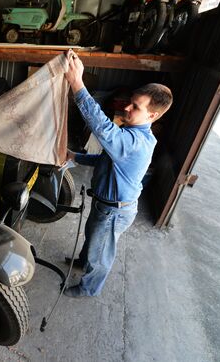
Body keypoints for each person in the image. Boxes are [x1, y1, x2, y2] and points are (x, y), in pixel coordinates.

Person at [63, 49, 173, 297]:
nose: (127, 107)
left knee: (100, 254)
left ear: (152, 115)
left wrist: (77, 83)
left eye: (136, 106)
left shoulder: (135, 141)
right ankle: (82, 262)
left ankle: (88, 288)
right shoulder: (133, 137)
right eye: (131, 101)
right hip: (106, 204)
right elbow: (106, 160)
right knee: (92, 237)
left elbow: (102, 129)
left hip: (114, 210)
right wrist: (75, 156)